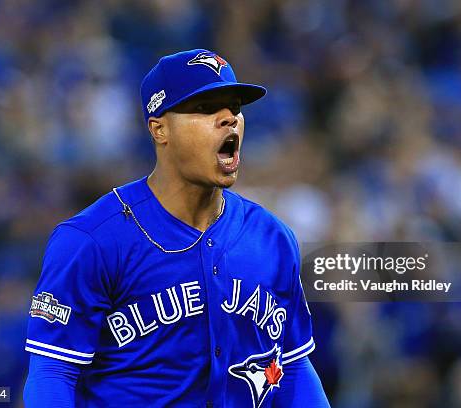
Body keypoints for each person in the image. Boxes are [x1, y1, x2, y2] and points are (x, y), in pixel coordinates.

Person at [23, 49, 329, 408]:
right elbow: (52, 372)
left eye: (234, 107)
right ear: (159, 129)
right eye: (205, 108)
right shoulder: (92, 240)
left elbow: (293, 366)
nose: (229, 118)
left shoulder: (273, 238)